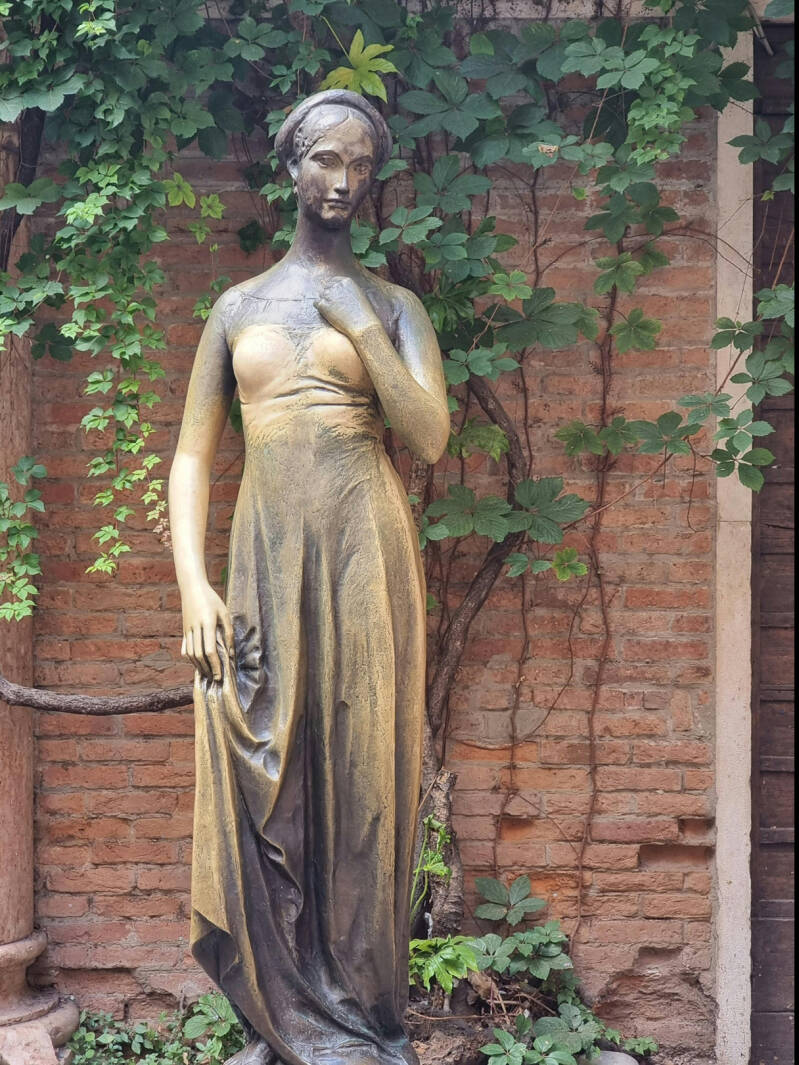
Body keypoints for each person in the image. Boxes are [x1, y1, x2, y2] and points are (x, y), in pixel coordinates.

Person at [167, 89, 450, 1065]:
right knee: (266, 774)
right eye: (326, 160)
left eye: (360, 166)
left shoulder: (395, 306)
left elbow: (429, 436)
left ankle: (368, 1023)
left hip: (364, 546)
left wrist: (365, 332)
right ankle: (282, 1019)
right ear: (290, 166)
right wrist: (193, 585)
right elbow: (193, 456)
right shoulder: (237, 309)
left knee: (365, 774)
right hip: (263, 555)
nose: (343, 181)